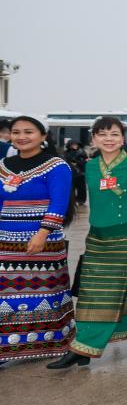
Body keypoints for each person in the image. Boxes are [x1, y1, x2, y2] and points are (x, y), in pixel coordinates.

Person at [48, 118, 127, 368]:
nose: (108, 139)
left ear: (123, 138)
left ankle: (83, 347)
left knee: (115, 291)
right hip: (96, 236)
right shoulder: (91, 166)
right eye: (102, 134)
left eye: (114, 134)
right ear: (93, 138)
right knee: (92, 291)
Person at [0, 116, 75, 363]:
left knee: (45, 293)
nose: (22, 137)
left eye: (29, 131)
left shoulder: (56, 166)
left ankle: (51, 343)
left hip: (43, 240)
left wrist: (42, 233)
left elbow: (59, 203)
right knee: (6, 295)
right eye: (16, 132)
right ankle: (7, 347)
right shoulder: (3, 165)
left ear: (43, 136)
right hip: (5, 240)